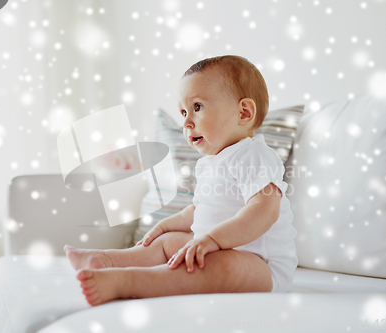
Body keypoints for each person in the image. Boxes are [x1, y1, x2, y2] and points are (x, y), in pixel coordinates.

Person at [64, 55, 298, 306]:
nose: (186, 122)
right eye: (183, 111)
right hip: (213, 247)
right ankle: (107, 262)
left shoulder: (254, 155)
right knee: (167, 243)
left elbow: (264, 210)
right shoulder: (210, 162)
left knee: (219, 266)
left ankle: (126, 282)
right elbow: (199, 210)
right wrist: (166, 226)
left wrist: (213, 240)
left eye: (197, 107)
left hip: (261, 264)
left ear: (243, 112)